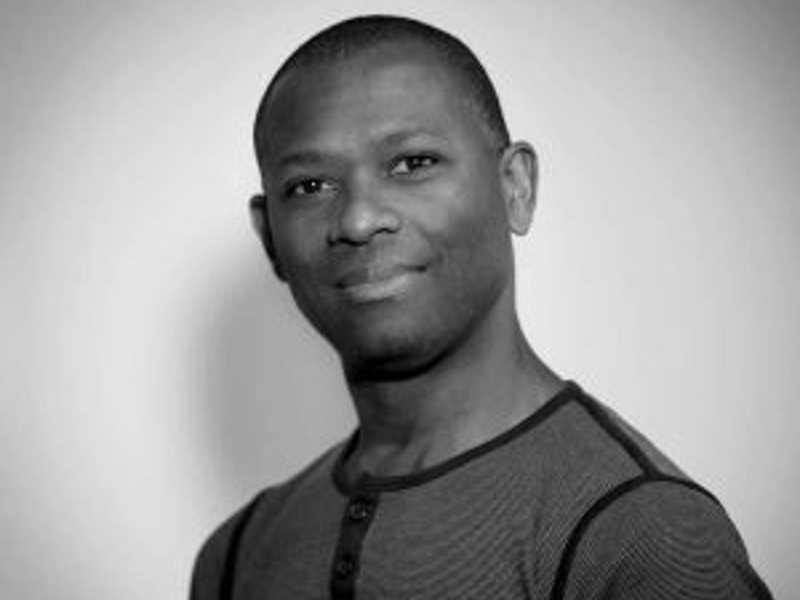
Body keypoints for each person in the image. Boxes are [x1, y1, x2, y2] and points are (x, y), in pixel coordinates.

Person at [190, 15, 773, 600]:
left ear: (515, 188)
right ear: (271, 238)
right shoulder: (236, 554)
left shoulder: (643, 537)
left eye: (412, 163)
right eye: (311, 186)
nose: (360, 219)